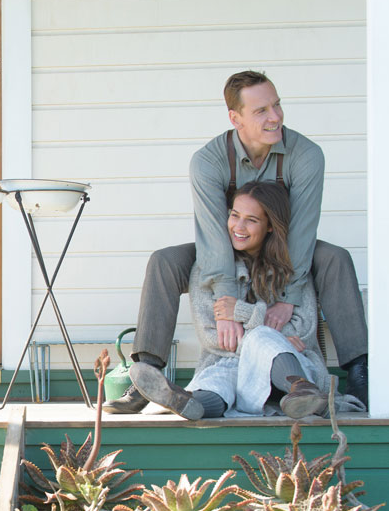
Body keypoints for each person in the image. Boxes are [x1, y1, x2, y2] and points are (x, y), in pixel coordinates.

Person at [105, 70, 368, 419]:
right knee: (164, 261)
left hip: (285, 248)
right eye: (261, 111)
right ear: (235, 118)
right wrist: (226, 307)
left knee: (335, 257)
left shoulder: (306, 156)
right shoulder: (209, 161)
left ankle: (360, 371)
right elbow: (213, 235)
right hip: (227, 245)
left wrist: (287, 298)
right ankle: (146, 375)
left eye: (277, 105)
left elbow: (303, 232)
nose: (275, 117)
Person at [184, 182, 362, 418]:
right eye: (235, 215)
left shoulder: (292, 268)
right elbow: (211, 336)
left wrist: (242, 313)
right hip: (229, 364)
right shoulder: (206, 268)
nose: (238, 226)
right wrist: (278, 338)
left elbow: (303, 329)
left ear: (269, 226)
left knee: (262, 338)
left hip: (293, 364)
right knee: (219, 378)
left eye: (252, 220)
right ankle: (191, 404)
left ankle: (302, 389)